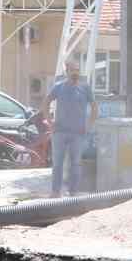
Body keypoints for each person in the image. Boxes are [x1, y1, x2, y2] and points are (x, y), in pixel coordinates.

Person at [46, 60, 96, 197]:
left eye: (77, 70)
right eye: (73, 70)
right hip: (60, 132)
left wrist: (89, 125)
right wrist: (50, 123)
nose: (76, 73)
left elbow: (94, 107)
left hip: (77, 134)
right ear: (66, 72)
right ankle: (56, 192)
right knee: (57, 164)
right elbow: (46, 103)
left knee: (75, 164)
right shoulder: (58, 87)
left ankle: (73, 192)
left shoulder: (85, 88)